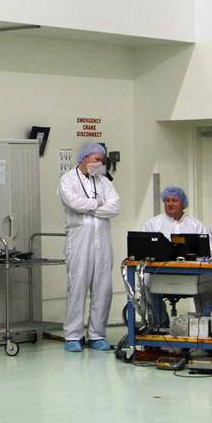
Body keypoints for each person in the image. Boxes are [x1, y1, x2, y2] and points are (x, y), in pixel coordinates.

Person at [57, 142, 120, 352]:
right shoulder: (67, 179)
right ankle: (73, 335)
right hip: (79, 239)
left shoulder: (103, 182)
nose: (99, 164)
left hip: (102, 240)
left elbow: (114, 207)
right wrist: (97, 205)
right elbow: (74, 203)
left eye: (101, 160)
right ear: (84, 158)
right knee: (77, 286)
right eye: (96, 159)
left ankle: (97, 334)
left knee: (103, 287)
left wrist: (91, 208)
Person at [141, 186, 207, 327]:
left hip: (190, 273)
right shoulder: (153, 224)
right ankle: (159, 324)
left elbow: (205, 252)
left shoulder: (195, 225)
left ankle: (203, 326)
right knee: (146, 281)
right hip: (161, 272)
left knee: (207, 282)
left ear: (183, 203)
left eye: (174, 200)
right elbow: (145, 248)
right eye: (167, 200)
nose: (170, 203)